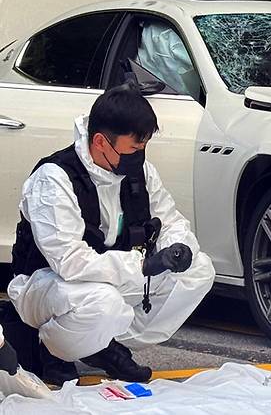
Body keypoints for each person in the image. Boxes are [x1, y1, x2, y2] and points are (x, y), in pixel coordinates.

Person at [7, 84, 215, 385]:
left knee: (199, 270)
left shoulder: (140, 174)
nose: (139, 156)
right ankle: (55, 349)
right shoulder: (54, 178)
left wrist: (177, 248)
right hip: (45, 286)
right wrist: (142, 266)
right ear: (101, 141)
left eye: (144, 147)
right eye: (133, 148)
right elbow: (69, 262)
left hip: (110, 278)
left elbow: (169, 219)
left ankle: (100, 345)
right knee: (102, 302)